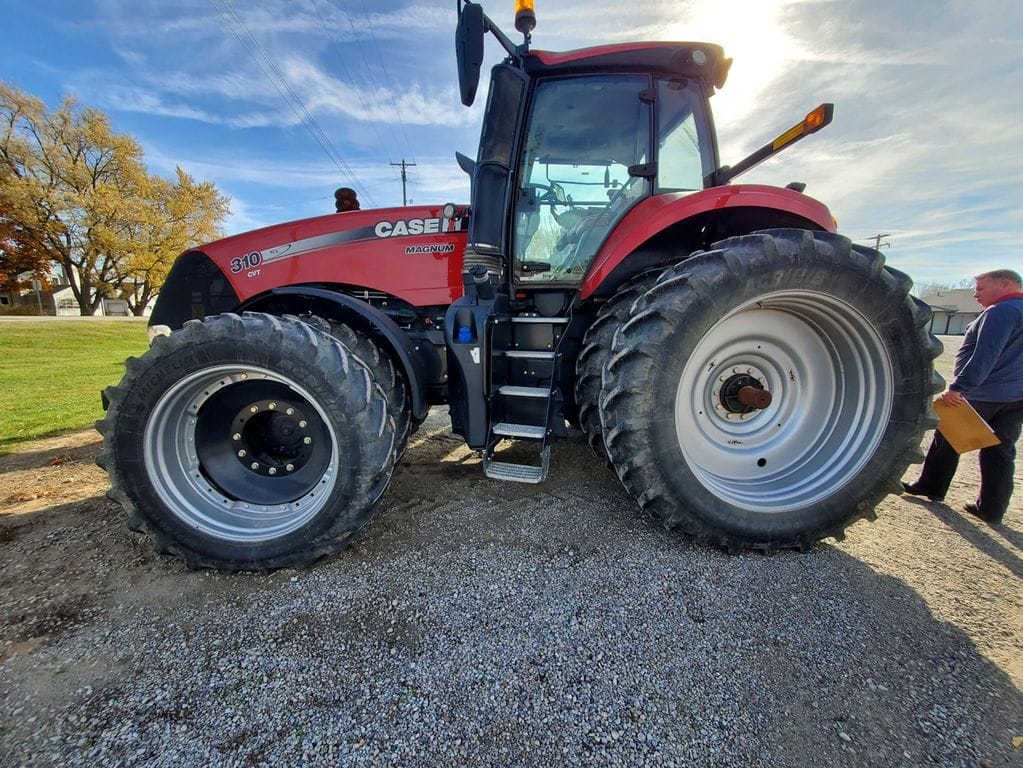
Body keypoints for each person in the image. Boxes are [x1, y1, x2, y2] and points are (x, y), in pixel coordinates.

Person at [902, 269, 1023, 524]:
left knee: (947, 437)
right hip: (1015, 397)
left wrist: (960, 387)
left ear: (1004, 284)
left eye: (980, 288)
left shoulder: (1001, 312)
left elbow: (985, 354)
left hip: (985, 392)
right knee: (1001, 450)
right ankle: (992, 508)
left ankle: (931, 485)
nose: (976, 294)